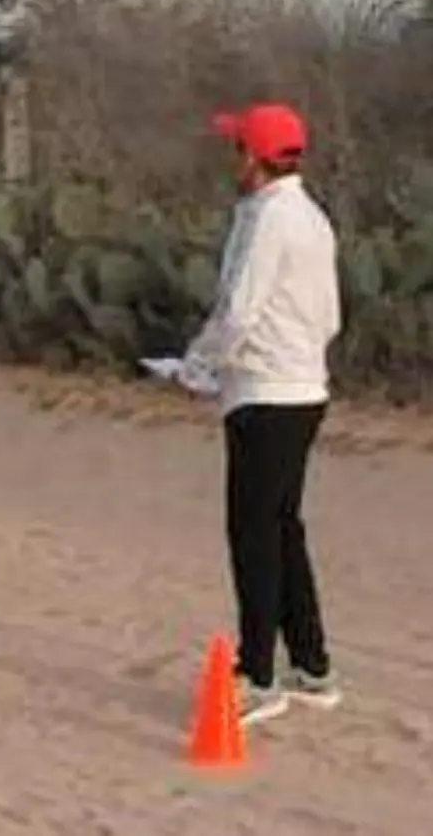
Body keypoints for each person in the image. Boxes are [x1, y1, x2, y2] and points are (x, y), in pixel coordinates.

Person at [181, 102, 343, 726]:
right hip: (303, 388)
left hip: (265, 393)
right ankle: (312, 665)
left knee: (252, 533)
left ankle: (258, 674)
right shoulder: (312, 217)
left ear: (253, 156)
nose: (232, 160)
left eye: (236, 148)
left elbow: (240, 311)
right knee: (282, 526)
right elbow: (329, 317)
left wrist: (198, 366)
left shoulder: (269, 220)